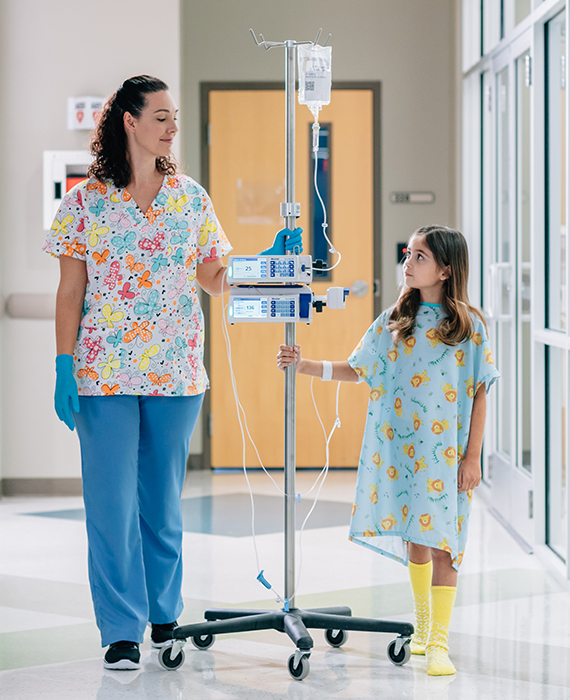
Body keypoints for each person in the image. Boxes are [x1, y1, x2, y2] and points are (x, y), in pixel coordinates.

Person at [43, 75, 302, 670]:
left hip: (175, 373)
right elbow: (69, 290)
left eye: (174, 116)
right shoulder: (85, 200)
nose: (171, 126)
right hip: (103, 373)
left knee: (161, 505)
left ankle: (164, 616)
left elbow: (212, 276)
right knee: (111, 507)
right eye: (160, 116)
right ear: (130, 122)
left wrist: (261, 261)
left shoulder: (190, 197)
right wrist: (63, 364)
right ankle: (120, 631)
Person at [277, 225, 499, 676]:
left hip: (448, 457)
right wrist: (306, 366)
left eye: (419, 256)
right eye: (408, 254)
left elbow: (480, 393)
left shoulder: (470, 329)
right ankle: (420, 627)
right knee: (416, 540)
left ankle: (439, 642)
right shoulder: (394, 321)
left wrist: (473, 457)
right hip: (403, 454)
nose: (408, 262)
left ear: (445, 269)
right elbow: (359, 369)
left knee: (446, 548)